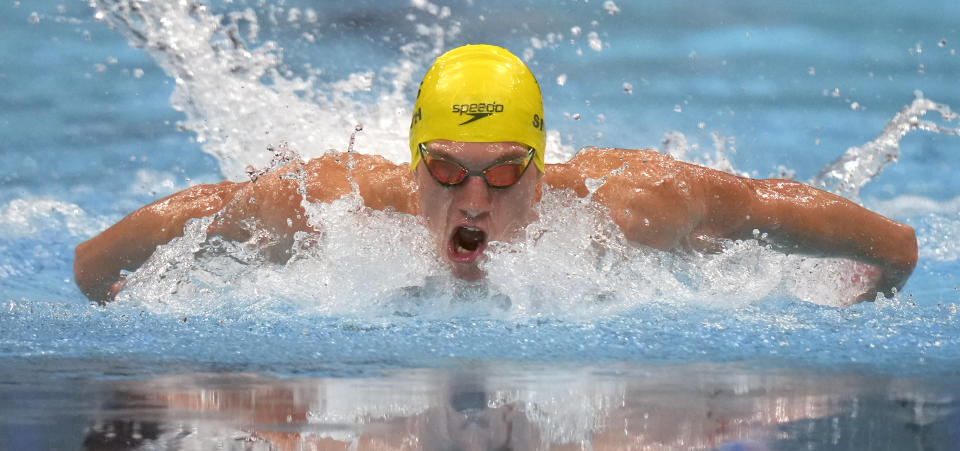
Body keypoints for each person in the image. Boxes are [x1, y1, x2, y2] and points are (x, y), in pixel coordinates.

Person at [74, 44, 918, 304]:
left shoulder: (637, 207)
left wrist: (874, 281)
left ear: (543, 168)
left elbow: (886, 242)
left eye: (506, 173)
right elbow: (97, 263)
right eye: (445, 168)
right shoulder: (331, 205)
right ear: (413, 164)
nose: (473, 198)